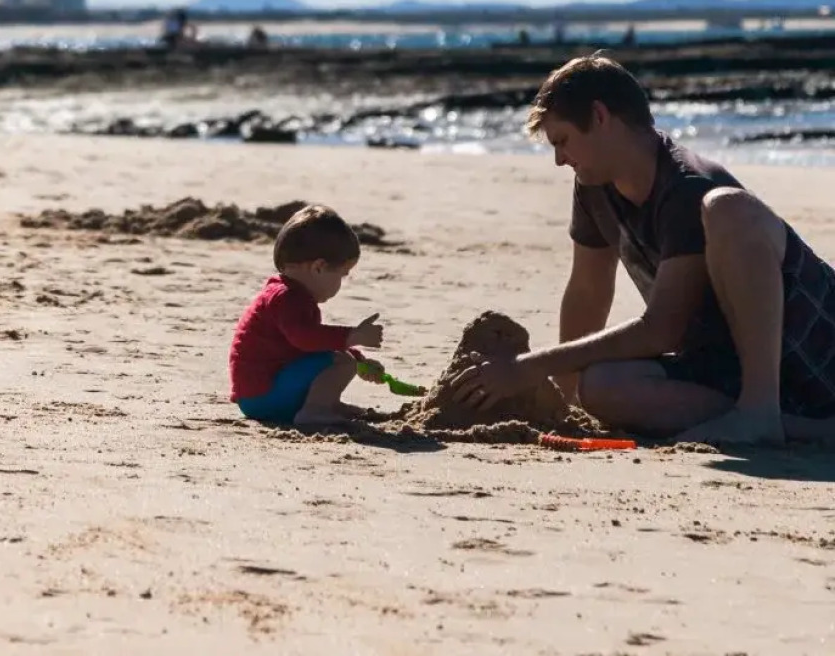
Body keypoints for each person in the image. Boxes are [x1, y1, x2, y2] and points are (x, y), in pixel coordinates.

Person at [450, 54, 835, 445]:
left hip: (816, 351)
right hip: (724, 368)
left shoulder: (686, 185)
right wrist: (565, 403)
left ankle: (759, 413)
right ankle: (800, 428)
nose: (558, 159)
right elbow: (588, 292)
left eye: (562, 141)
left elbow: (661, 330)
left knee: (727, 208)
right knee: (600, 386)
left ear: (599, 116)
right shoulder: (594, 188)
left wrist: (525, 367)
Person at [229, 204, 388, 428]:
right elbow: (305, 339)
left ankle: (327, 404)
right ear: (319, 267)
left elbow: (311, 344)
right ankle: (316, 411)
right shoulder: (287, 297)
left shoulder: (289, 294)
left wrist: (359, 360)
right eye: (342, 275)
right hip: (263, 396)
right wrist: (353, 336)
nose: (341, 283)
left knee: (344, 360)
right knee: (341, 363)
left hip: (261, 393)